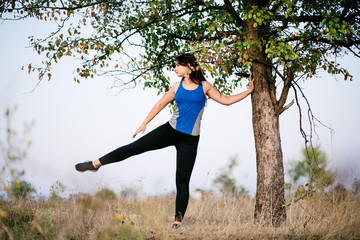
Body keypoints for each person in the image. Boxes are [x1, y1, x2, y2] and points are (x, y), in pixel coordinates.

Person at [75, 53, 254, 229]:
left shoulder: (205, 87)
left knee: (182, 181)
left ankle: (177, 221)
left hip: (190, 140)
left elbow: (227, 100)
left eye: (178, 65)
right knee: (134, 148)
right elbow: (160, 104)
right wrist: (144, 123)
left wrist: (249, 90)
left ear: (189, 66)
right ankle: (95, 163)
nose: (175, 68)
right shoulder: (177, 86)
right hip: (169, 131)